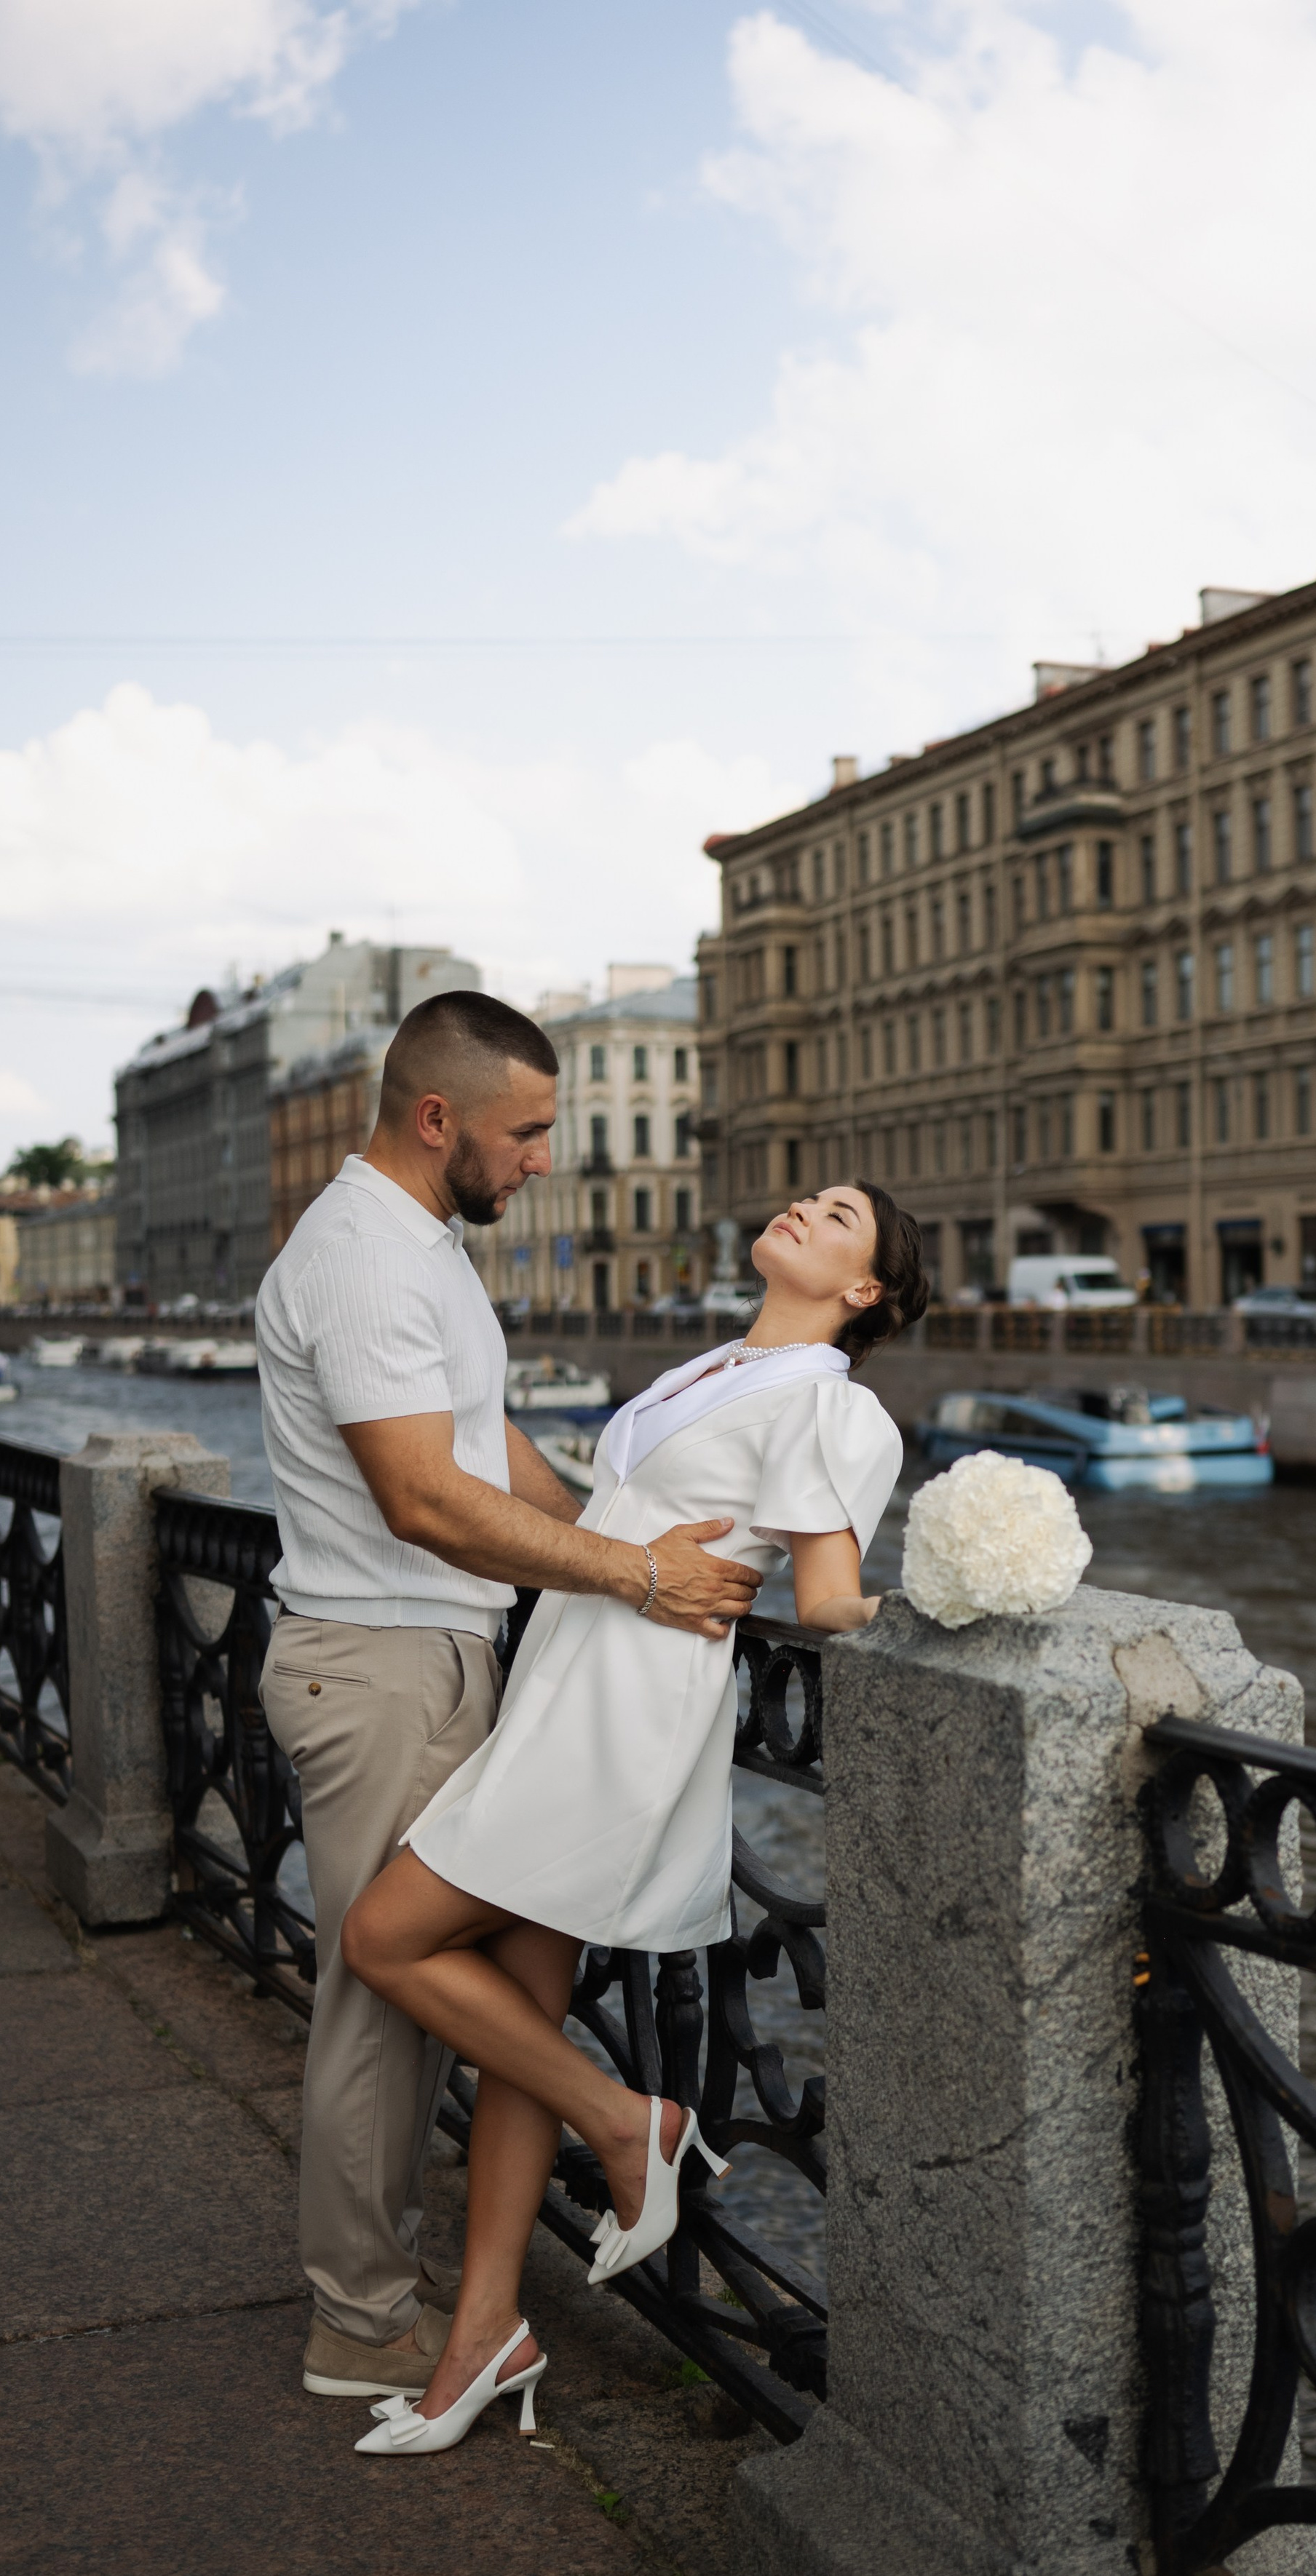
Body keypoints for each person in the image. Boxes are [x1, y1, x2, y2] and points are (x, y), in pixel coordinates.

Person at [339, 1180, 929, 2456]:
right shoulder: (720, 1368)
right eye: (808, 1197)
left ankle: (627, 2122)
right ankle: (487, 2336)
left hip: (625, 1716)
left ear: (864, 1290)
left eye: (838, 1218)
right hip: (568, 1677)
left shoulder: (831, 1403)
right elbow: (611, 1516)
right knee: (520, 2017)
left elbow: (829, 1596)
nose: (802, 1208)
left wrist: (958, 1605)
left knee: (383, 1936)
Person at [256, 990, 764, 2405]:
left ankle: (420, 2284)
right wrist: (633, 1575)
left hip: (423, 1660)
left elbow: (488, 1457)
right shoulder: (365, 1259)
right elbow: (424, 1500)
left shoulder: (418, 1246)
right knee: (379, 2001)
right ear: (438, 1120)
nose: (544, 1158)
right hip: (383, 1667)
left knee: (416, 1997)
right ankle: (362, 2322)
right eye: (525, 1132)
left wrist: (624, 1539)